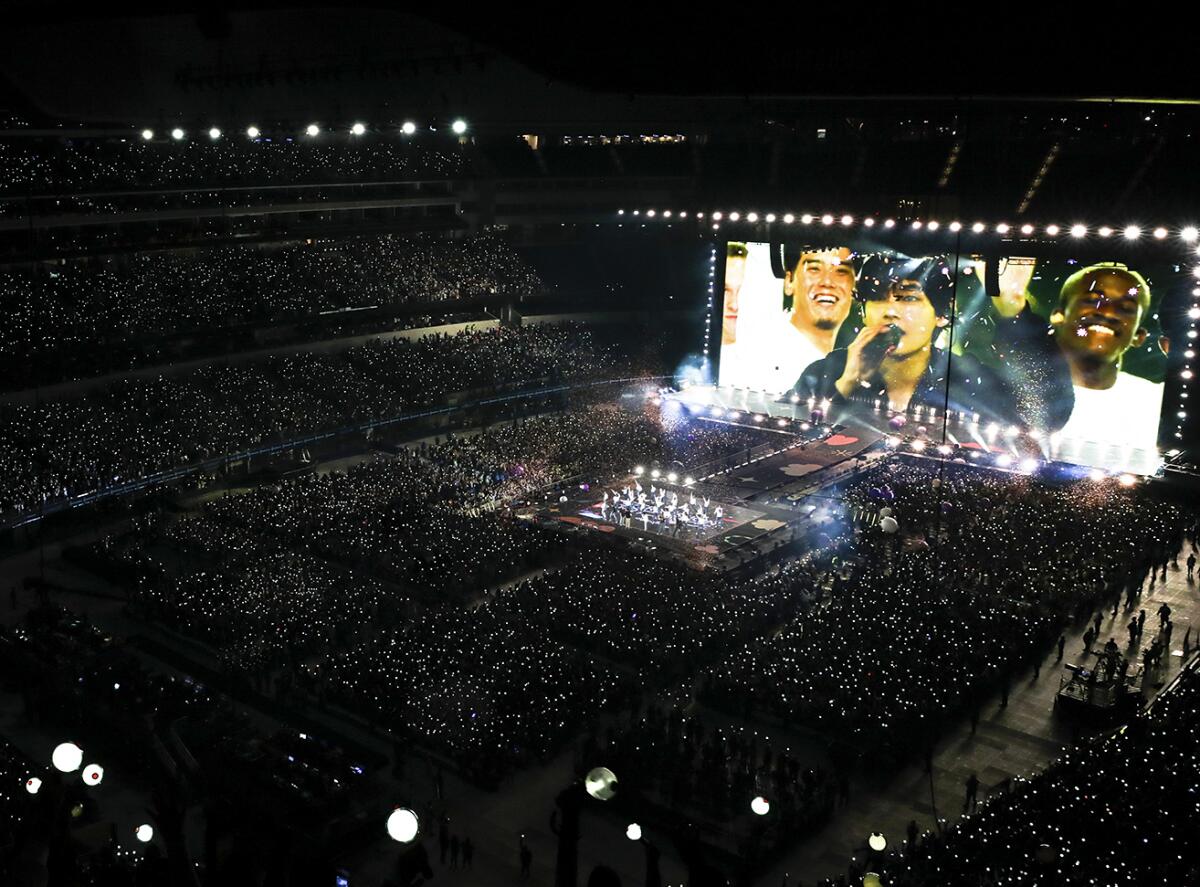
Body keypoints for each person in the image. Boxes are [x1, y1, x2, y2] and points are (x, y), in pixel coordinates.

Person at [782, 256, 1024, 425]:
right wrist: (847, 383)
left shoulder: (971, 381)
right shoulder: (826, 371)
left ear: (942, 314)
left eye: (907, 298)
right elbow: (788, 438)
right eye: (877, 298)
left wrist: (1014, 306)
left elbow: (1045, 421)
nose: (890, 311)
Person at [1050, 263, 1164, 451]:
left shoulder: (1157, 403)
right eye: (1091, 300)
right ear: (1058, 316)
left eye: (1126, 308)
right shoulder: (1013, 388)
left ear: (1139, 336)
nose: (1109, 312)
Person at [752, 244, 861, 394]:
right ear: (789, 281)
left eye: (841, 271)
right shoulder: (759, 356)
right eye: (814, 269)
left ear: (854, 286)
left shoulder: (855, 361)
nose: (827, 282)